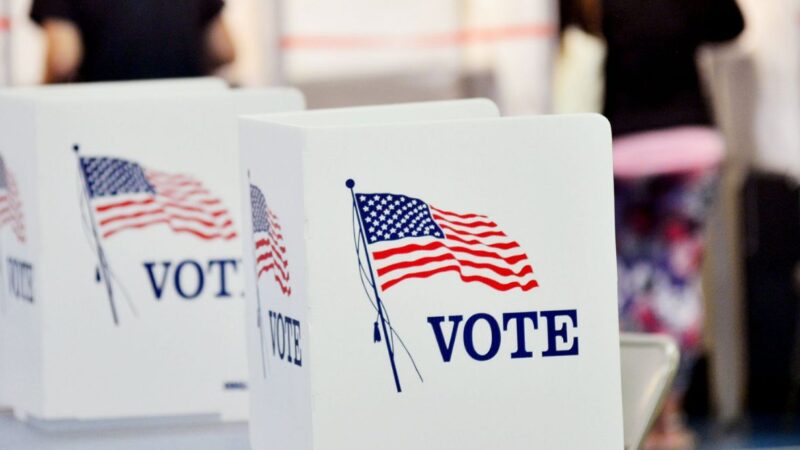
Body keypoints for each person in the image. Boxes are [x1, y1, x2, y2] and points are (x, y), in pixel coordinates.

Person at [561, 1, 744, 449]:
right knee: (676, 282)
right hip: (688, 145)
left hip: (623, 146)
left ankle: (638, 414)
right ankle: (671, 416)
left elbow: (577, 31)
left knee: (628, 282)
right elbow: (731, 24)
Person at [30, 0, 236, 83]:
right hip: (188, 107)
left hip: (107, 113)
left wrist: (44, 99)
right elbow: (224, 50)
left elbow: (62, 58)